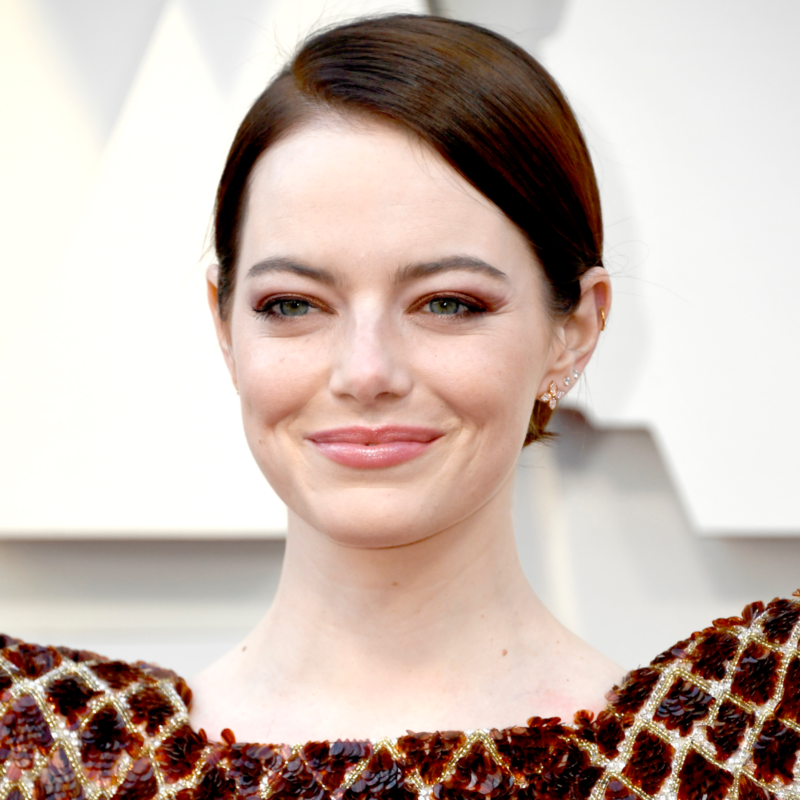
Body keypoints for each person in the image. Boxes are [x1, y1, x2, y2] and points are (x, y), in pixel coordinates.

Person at [1, 14, 798, 800]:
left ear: (575, 331)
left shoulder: (736, 760)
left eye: (448, 303)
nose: (367, 371)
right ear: (225, 323)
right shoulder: (56, 765)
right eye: (292, 304)